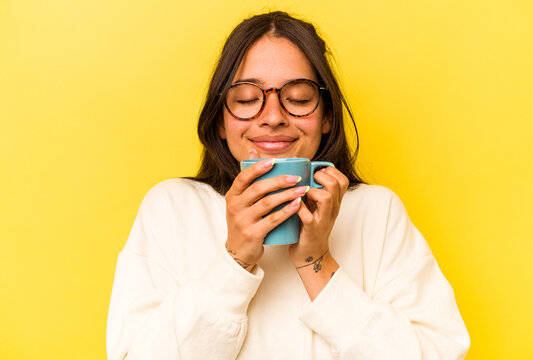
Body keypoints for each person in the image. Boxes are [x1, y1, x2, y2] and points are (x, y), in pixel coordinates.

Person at [106, 11, 470, 359]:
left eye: (298, 98)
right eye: (247, 99)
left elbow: (440, 352)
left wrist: (317, 261)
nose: (274, 117)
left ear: (327, 115)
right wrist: (235, 259)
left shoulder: (377, 211)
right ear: (220, 121)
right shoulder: (172, 208)